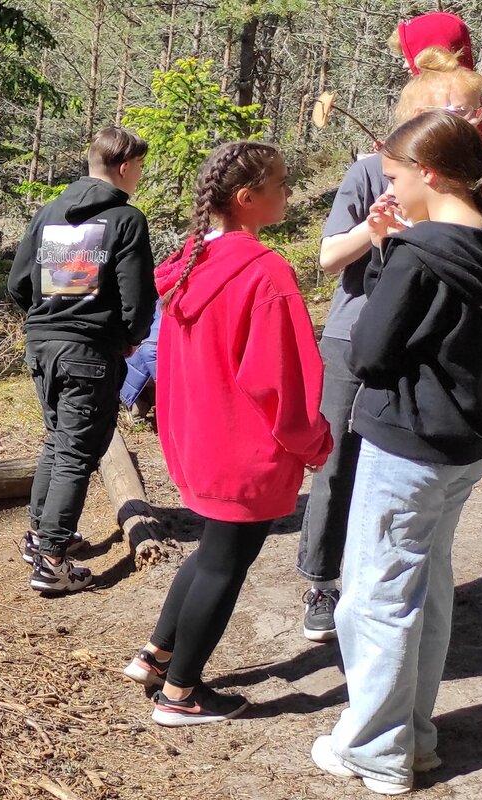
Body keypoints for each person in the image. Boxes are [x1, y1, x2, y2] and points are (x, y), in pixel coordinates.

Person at [312, 112, 482, 796]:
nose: (392, 189)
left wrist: (384, 255)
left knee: (374, 598)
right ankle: (416, 735)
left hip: (406, 445)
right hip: (466, 446)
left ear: (428, 174)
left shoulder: (417, 253)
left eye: (397, 176)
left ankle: (377, 750)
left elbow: (371, 353)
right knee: (426, 589)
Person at [121, 141, 332, 726]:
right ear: (247, 199)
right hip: (246, 449)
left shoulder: (192, 261)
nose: (289, 192)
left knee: (214, 552)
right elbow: (281, 381)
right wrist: (314, 441)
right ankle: (181, 695)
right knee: (224, 565)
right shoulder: (264, 274)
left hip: (200, 442)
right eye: (282, 184)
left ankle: (158, 655)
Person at [298, 45, 482, 643]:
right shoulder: (369, 172)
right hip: (357, 333)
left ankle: (391, 584)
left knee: (400, 469)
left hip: (423, 341)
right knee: (337, 464)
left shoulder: (473, 185)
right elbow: (328, 259)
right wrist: (373, 230)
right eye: (472, 113)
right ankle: (323, 581)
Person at [6, 126, 158, 594]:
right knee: (76, 450)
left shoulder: (49, 214)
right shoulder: (126, 220)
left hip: (43, 344)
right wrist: (129, 339)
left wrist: (47, 320)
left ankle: (41, 535)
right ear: (126, 167)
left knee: (58, 440)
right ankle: (52, 560)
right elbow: (138, 298)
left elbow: (18, 284)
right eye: (140, 168)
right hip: (89, 349)